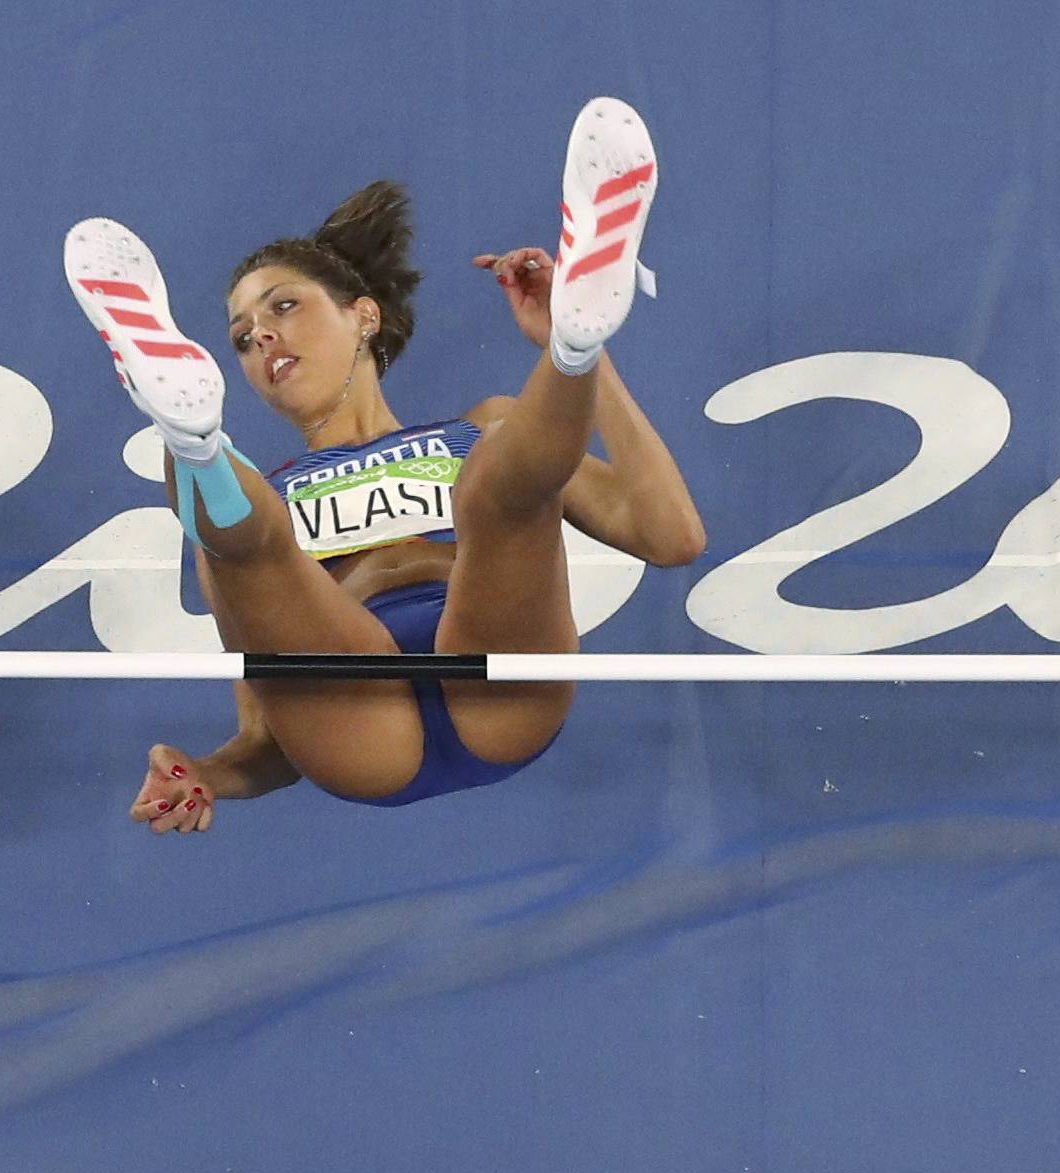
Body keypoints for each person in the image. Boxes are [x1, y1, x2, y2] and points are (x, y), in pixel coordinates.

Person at [64, 97, 704, 828]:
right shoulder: (256, 503)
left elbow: (672, 536)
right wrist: (206, 774)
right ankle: (190, 435)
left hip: (497, 673)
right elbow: (271, 736)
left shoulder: (484, 429)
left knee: (495, 486)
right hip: (359, 721)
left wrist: (577, 340)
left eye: (283, 307)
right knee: (243, 540)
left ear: (362, 315)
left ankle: (577, 344)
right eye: (241, 338)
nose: (263, 338)